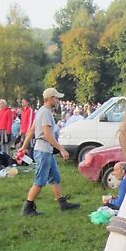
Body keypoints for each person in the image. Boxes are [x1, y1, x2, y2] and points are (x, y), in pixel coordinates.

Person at [19, 87, 80, 216]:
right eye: (57, 98)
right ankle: (28, 208)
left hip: (47, 151)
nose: (58, 101)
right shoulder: (45, 113)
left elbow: (31, 130)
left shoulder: (41, 111)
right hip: (43, 151)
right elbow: (47, 135)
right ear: (51, 98)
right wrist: (62, 149)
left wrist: (24, 147)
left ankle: (62, 203)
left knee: (55, 178)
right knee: (40, 181)